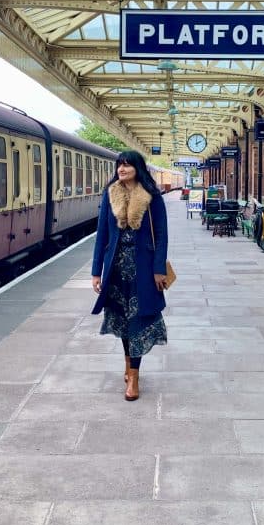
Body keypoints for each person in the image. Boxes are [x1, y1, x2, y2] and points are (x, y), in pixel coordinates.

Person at [91, 150, 169, 401]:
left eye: (126, 165)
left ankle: (134, 377)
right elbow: (101, 234)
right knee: (124, 321)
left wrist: (159, 269)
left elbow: (162, 234)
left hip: (143, 271)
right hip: (115, 270)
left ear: (138, 168)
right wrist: (96, 272)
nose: (121, 169)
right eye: (119, 166)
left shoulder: (152, 196)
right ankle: (128, 365)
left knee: (138, 321)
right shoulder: (110, 193)